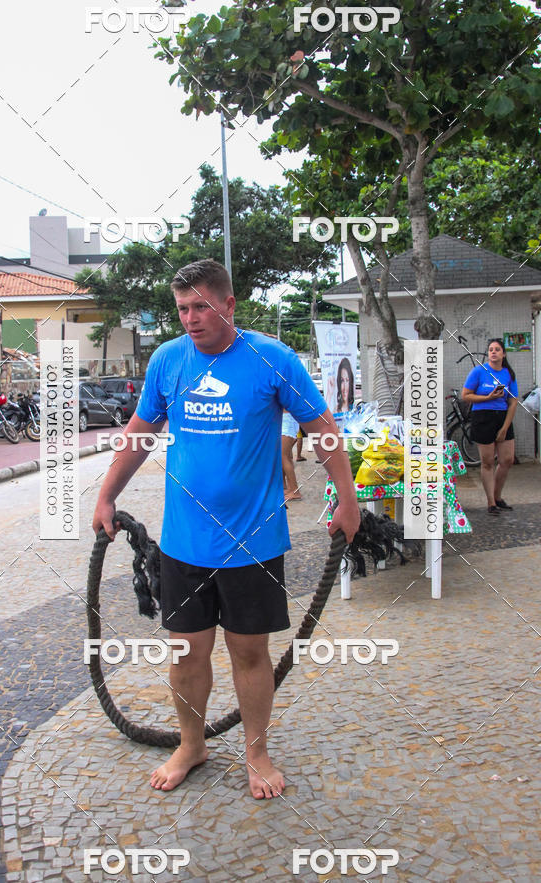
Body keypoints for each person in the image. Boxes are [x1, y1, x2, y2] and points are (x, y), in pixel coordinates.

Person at [92, 259, 360, 800]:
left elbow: (322, 428)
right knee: (186, 651)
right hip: (185, 541)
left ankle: (256, 752)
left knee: (249, 651)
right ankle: (192, 744)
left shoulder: (271, 358)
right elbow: (140, 433)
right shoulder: (169, 360)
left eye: (201, 307)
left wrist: (347, 497)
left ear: (229, 305)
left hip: (253, 541)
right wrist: (106, 494)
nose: (190, 319)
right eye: (183, 309)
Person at [461, 338, 518, 515]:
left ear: (503, 354)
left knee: (507, 460)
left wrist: (504, 428)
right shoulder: (478, 371)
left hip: (502, 417)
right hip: (483, 416)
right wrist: (487, 398)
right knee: (487, 462)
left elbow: (513, 402)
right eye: (491, 349)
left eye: (497, 349)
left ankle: (498, 496)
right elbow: (466, 395)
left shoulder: (508, 374)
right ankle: (491, 503)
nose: (493, 352)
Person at [281, 411, 301, 501]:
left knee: (283, 457)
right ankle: (287, 487)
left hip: (286, 420)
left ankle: (295, 491)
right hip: (287, 419)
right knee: (286, 457)